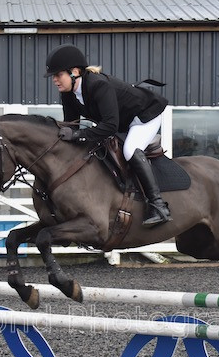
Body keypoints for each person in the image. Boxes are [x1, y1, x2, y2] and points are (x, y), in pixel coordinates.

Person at [45, 44, 172, 227]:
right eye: (53, 76)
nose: (55, 80)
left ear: (74, 72)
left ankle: (158, 206)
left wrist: (78, 134)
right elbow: (71, 124)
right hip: (122, 121)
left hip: (144, 117)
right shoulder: (69, 93)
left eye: (58, 75)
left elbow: (110, 126)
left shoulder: (99, 86)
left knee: (129, 150)